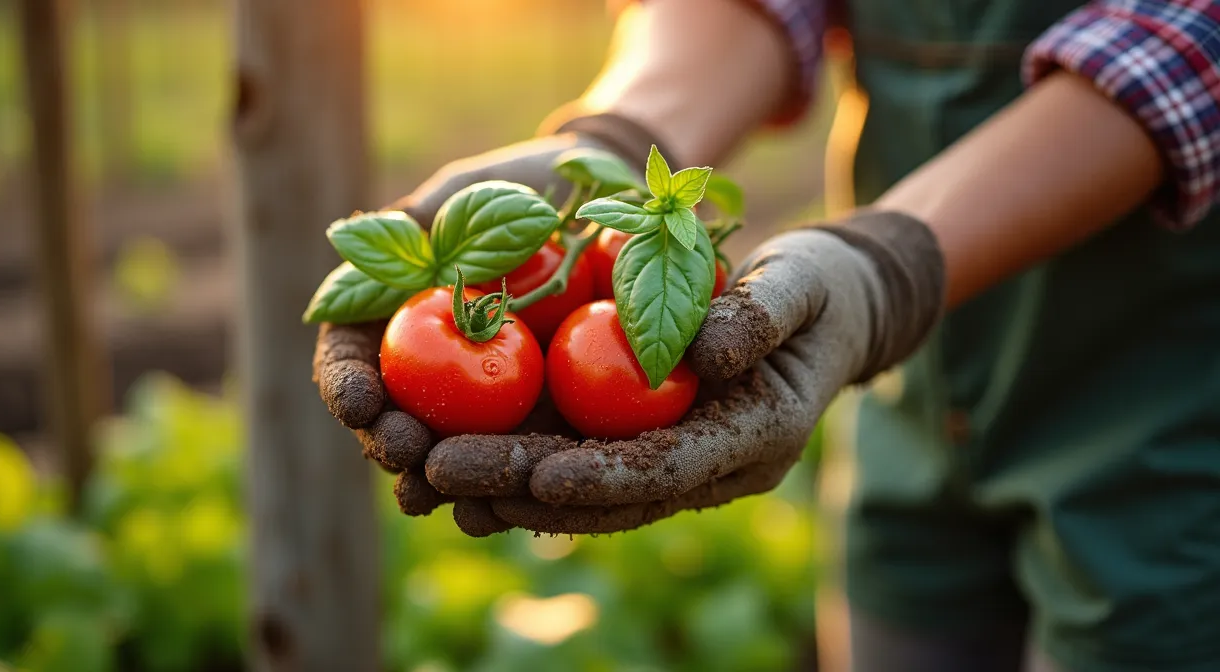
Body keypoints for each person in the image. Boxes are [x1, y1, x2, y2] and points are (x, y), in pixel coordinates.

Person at [312, 0, 1220, 670]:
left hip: (1162, 425)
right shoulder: (573, 304)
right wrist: (623, 135)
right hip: (907, 403)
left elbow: (1186, 46)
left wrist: (886, 268)